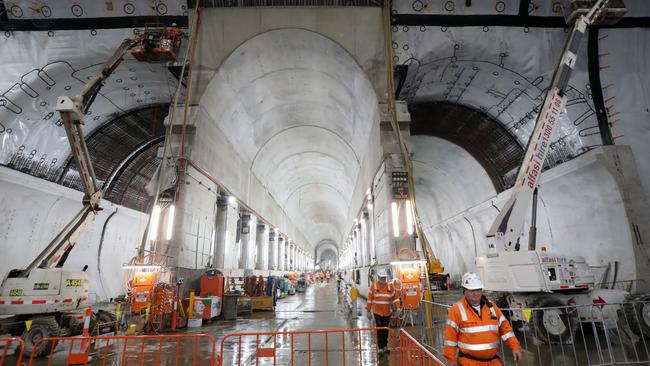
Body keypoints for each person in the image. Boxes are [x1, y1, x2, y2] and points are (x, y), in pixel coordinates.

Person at [443, 272, 523, 365]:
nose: (476, 293)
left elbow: (506, 330)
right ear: (464, 291)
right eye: (472, 290)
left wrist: (515, 347)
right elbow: (450, 339)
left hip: (493, 362)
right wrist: (451, 360)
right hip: (469, 363)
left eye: (478, 289)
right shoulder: (456, 310)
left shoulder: (492, 307)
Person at [366, 269, 400, 354]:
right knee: (380, 329)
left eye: (384, 278)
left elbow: (395, 297)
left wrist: (398, 307)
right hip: (377, 312)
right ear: (378, 277)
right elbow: (370, 299)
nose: (383, 280)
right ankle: (380, 347)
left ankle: (385, 346)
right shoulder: (374, 286)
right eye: (382, 278)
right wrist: (368, 310)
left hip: (387, 312)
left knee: (385, 329)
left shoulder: (390, 286)